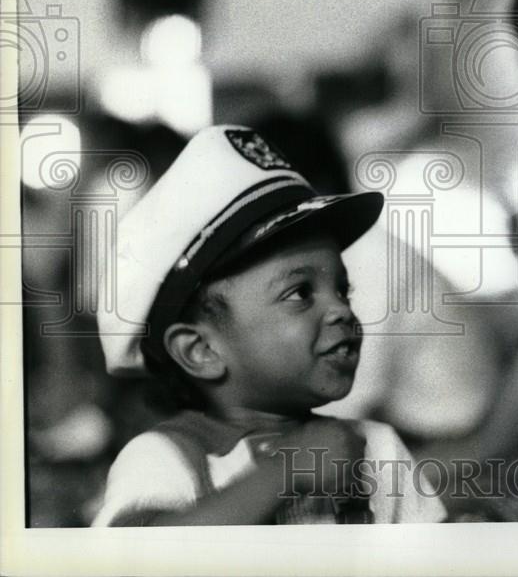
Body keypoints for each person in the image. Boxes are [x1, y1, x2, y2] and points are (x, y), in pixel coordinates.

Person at [91, 125, 446, 525]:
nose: (341, 311)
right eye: (300, 293)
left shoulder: (377, 447)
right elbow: (133, 559)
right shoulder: (165, 458)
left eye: (343, 290)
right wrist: (286, 473)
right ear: (201, 351)